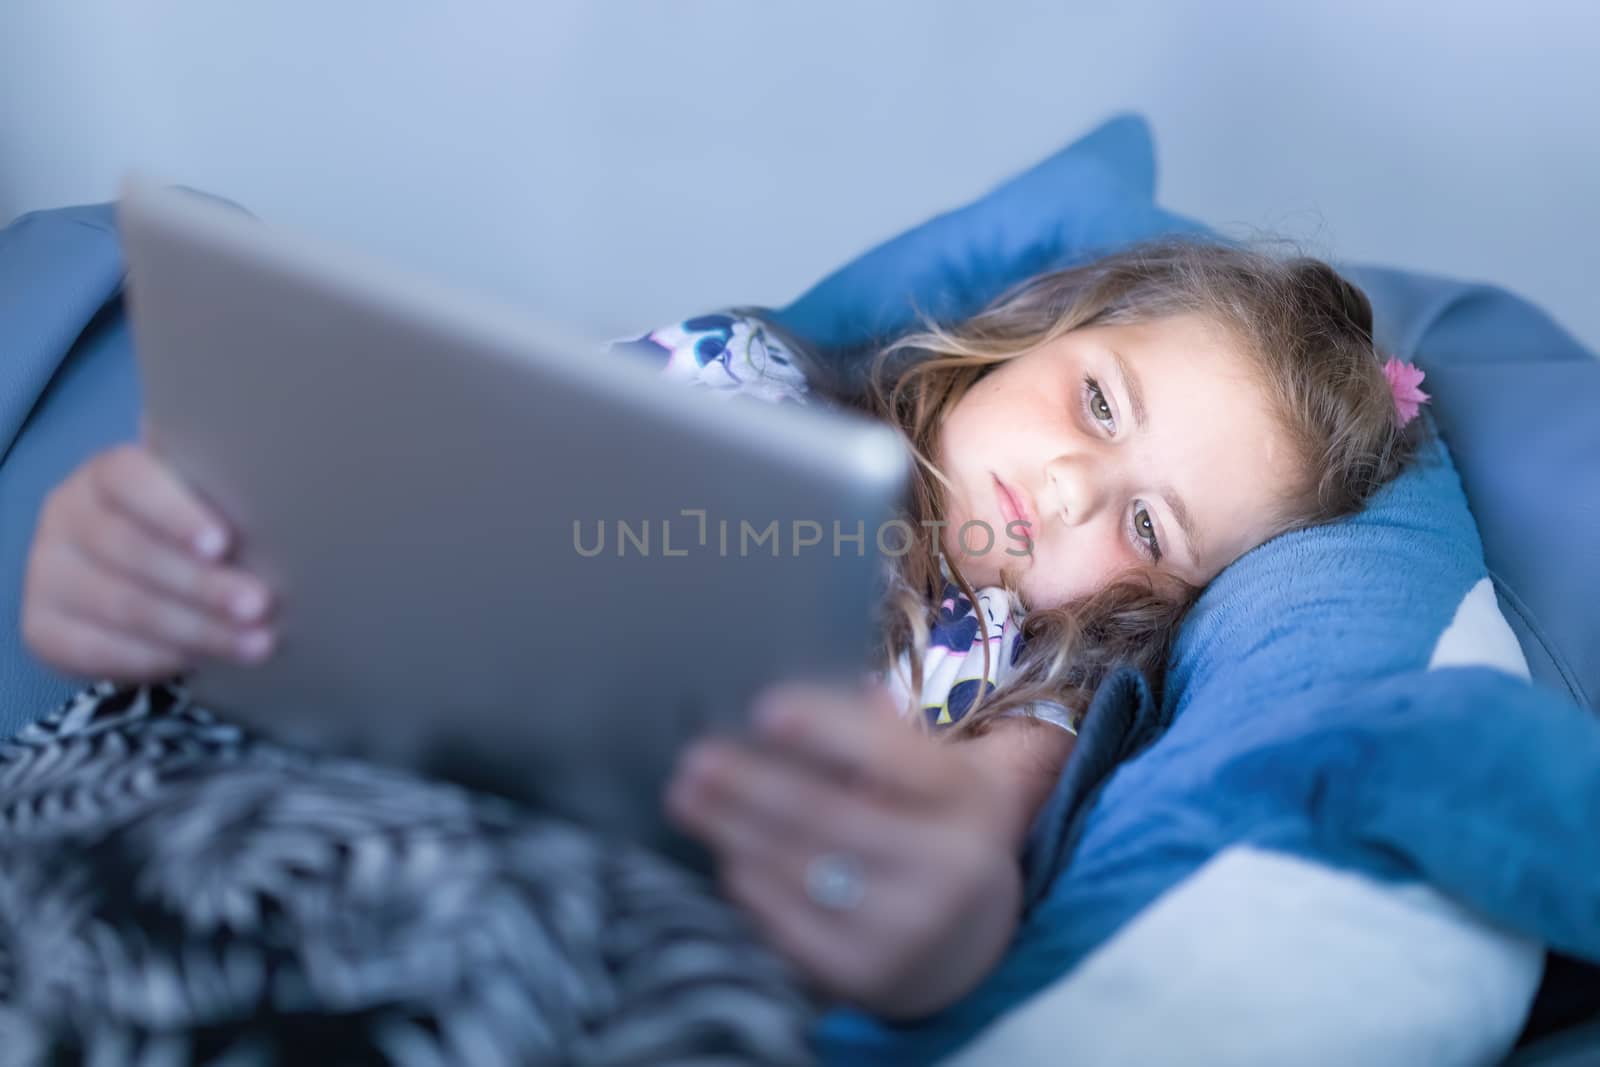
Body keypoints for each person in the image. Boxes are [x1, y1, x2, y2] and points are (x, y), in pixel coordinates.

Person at [12, 235, 1422, 1058]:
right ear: (1029, 335)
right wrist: (143, 557)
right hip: (305, 756)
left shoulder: (1036, 674)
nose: (1064, 492)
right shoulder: (735, 379)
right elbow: (372, 521)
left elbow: (967, 864)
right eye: (1097, 406)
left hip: (593, 893)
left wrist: (936, 932)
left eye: (1147, 526)